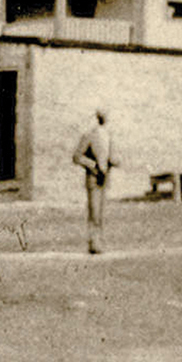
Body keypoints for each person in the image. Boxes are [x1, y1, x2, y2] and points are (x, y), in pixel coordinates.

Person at [72, 109, 116, 255]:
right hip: (93, 178)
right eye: (102, 115)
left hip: (104, 179)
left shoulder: (108, 136)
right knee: (94, 212)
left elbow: (113, 156)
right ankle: (93, 242)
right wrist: (94, 166)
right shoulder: (90, 136)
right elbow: (77, 156)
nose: (105, 118)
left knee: (101, 213)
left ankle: (99, 242)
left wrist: (112, 162)